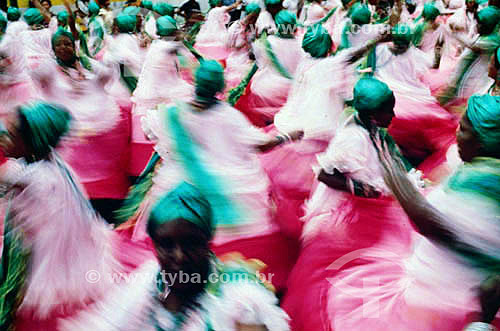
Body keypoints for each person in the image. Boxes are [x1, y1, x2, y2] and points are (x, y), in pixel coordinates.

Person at [119, 60, 302, 293]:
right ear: (219, 87)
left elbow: (152, 131)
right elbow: (261, 144)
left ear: (196, 84)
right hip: (230, 188)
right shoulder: (228, 116)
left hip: (179, 187)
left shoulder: (173, 112)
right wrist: (288, 136)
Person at [327, 93, 500, 331]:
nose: (457, 135)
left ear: (481, 142)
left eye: (464, 129)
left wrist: (398, 180)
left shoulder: (484, 182)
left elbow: (441, 230)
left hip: (445, 299)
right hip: (448, 287)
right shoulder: (482, 168)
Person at [281, 77, 417, 331]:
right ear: (374, 113)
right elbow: (323, 173)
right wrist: (358, 188)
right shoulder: (352, 138)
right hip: (344, 212)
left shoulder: (372, 129)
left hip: (369, 203)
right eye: (389, 110)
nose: (394, 115)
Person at [60, 182, 291, 331]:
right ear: (154, 245)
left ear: (208, 241)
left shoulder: (240, 298)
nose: (179, 256)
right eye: (167, 245)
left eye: (191, 243)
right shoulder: (149, 280)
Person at [0, 102, 122, 330]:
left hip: (38, 249)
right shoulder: (53, 164)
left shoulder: (37, 177)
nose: (6, 138)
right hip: (47, 241)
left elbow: (5, 179)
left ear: (31, 143)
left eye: (12, 135)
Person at [32, 28, 131, 224]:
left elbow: (107, 76)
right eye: (58, 45)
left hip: (98, 127)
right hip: (69, 129)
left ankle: (104, 207)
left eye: (67, 44)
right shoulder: (49, 68)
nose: (63, 48)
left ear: (74, 45)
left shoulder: (86, 64)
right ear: (52, 48)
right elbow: (34, 78)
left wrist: (92, 84)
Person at [129, 15, 194, 176]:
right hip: (163, 98)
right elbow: (189, 63)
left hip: (150, 97)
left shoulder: (156, 45)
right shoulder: (166, 47)